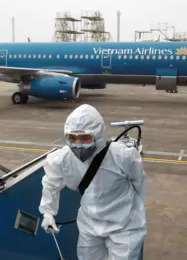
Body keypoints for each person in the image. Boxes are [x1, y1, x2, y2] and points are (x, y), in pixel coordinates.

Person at [38, 104, 147, 260]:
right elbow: (50, 184)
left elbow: (139, 182)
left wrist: (135, 209)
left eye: (85, 138)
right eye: (73, 138)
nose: (78, 145)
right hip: (90, 224)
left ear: (98, 135)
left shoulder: (122, 156)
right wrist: (48, 212)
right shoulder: (62, 160)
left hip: (124, 225)